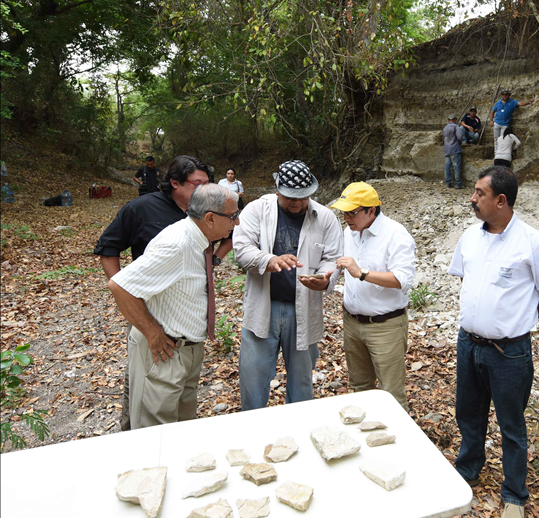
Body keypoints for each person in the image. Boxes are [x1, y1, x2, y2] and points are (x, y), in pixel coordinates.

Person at [449, 166, 539, 518]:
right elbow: (468, 280)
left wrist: (516, 321)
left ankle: (514, 494)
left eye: (479, 193)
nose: (472, 199)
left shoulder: (533, 243)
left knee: (511, 425)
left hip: (509, 352)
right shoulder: (469, 236)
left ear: (501, 200)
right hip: (468, 343)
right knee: (468, 413)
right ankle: (467, 470)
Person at [95, 155, 232, 431]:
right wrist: (151, 331)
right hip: (164, 352)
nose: (236, 224)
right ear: (209, 217)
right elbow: (120, 285)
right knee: (154, 440)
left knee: (180, 433)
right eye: (233, 217)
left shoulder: (198, 237)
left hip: (188, 349)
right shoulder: (177, 243)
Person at [232, 160, 342, 410]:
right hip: (263, 306)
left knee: (302, 381)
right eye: (291, 197)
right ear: (277, 187)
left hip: (302, 309)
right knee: (253, 377)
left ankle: (300, 432)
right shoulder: (256, 210)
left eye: (303, 197)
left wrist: (324, 279)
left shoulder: (324, 217)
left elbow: (333, 259)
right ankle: (253, 429)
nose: (297, 203)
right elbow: (241, 249)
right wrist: (270, 260)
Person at [330, 182, 416, 411]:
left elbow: (403, 280)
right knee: (359, 388)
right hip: (352, 323)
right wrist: (323, 280)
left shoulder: (396, 234)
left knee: (391, 395)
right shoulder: (349, 232)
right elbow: (339, 263)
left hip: (385, 326)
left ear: (371, 210)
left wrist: (362, 273)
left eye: (352, 212)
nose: (346, 218)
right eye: (343, 212)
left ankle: (399, 442)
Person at [443, 114, 464, 189]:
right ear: (454, 120)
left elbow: (443, 139)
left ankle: (448, 183)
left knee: (447, 167)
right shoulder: (456, 127)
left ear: (448, 120)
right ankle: (458, 184)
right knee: (456, 167)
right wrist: (461, 143)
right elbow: (459, 137)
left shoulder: (445, 128)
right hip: (455, 149)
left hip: (447, 150)